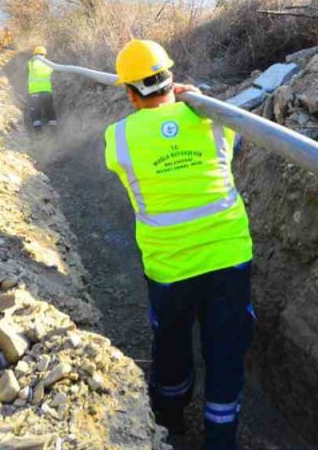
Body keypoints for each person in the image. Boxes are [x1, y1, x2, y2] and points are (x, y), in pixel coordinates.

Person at [103, 39, 254, 450]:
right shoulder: (214, 121)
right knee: (225, 350)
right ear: (173, 80)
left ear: (130, 93)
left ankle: (168, 419)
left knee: (170, 342)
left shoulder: (118, 139)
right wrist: (198, 101)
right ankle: (221, 439)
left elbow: (130, 154)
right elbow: (236, 144)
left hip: (169, 268)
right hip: (229, 261)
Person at [26, 46, 56, 131]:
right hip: (47, 92)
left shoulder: (31, 63)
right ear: (45, 55)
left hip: (35, 93)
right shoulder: (49, 65)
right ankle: (53, 130)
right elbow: (52, 69)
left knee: (35, 111)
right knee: (50, 110)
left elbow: (30, 64)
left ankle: (38, 132)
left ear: (35, 54)